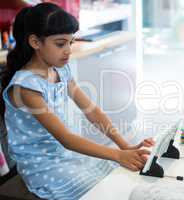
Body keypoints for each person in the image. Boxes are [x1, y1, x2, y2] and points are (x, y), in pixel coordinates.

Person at [0, 3, 154, 200]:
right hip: (44, 168)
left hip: (67, 156)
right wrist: (117, 155)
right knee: (105, 190)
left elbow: (92, 111)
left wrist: (124, 146)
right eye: (60, 43)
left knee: (118, 176)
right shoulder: (26, 86)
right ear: (35, 42)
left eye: (70, 43)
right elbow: (65, 138)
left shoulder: (60, 70)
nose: (68, 51)